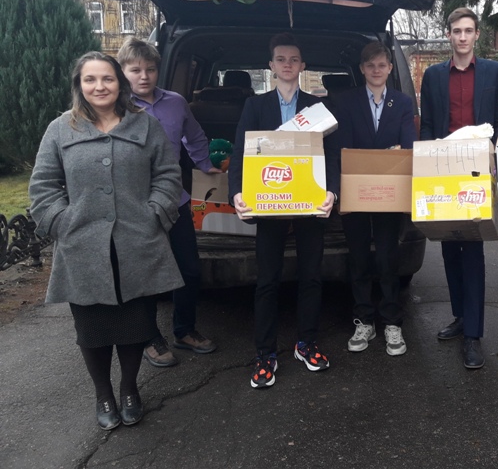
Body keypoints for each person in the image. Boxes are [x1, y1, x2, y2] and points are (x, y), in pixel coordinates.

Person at [29, 52, 184, 429]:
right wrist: (63, 222)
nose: (99, 86)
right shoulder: (61, 129)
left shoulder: (145, 125)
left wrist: (154, 214)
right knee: (92, 332)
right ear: (79, 85)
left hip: (137, 244)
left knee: (135, 326)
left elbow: (168, 175)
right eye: (90, 79)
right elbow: (43, 187)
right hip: (82, 247)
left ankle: (129, 388)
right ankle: (103, 394)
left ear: (120, 84)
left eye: (108, 79)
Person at [228, 32, 339, 389]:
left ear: (302, 65)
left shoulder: (317, 107)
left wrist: (333, 193)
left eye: (293, 59)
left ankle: (307, 343)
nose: (287, 64)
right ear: (271, 66)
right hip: (270, 204)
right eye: (281, 59)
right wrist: (236, 194)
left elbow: (333, 157)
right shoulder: (255, 106)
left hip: (311, 206)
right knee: (267, 281)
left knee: (311, 277)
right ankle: (265, 354)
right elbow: (240, 156)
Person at [118, 37, 218, 368]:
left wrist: (206, 166)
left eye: (150, 69)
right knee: (146, 274)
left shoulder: (176, 102)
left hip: (176, 200)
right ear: (123, 71)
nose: (144, 76)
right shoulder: (117, 108)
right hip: (136, 206)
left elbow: (195, 136)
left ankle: (184, 331)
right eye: (135, 70)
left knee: (189, 269)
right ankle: (149, 337)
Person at [419, 7, 498, 369]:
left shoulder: (493, 72)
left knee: (472, 248)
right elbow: (427, 123)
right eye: (456, 31)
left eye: (468, 31)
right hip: (443, 169)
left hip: (476, 170)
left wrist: (495, 163)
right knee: (449, 248)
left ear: (476, 35)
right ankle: (460, 316)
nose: (462, 37)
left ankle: (473, 334)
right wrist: (427, 165)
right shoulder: (433, 76)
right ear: (449, 35)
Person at [334, 42, 417, 356]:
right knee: (358, 258)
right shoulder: (346, 101)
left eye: (382, 65)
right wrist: (384, 156)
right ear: (362, 69)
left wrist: (388, 158)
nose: (376, 70)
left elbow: (407, 147)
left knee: (387, 258)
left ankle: (392, 321)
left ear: (390, 68)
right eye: (370, 65)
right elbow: (343, 148)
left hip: (389, 192)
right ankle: (364, 320)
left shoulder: (402, 102)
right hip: (355, 189)